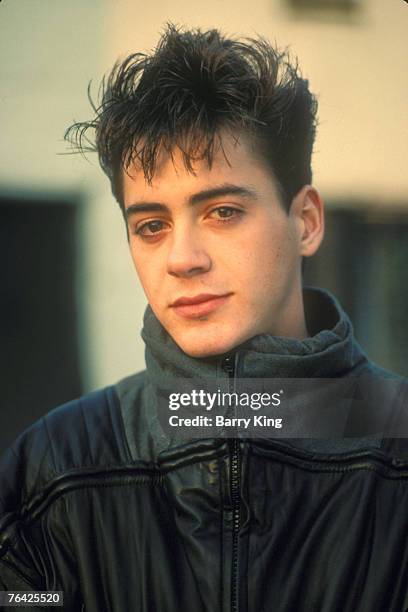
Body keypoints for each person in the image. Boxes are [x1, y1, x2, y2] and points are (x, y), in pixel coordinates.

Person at [1, 24, 407, 612]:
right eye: (151, 226)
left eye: (221, 211)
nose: (182, 259)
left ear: (307, 221)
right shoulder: (58, 467)